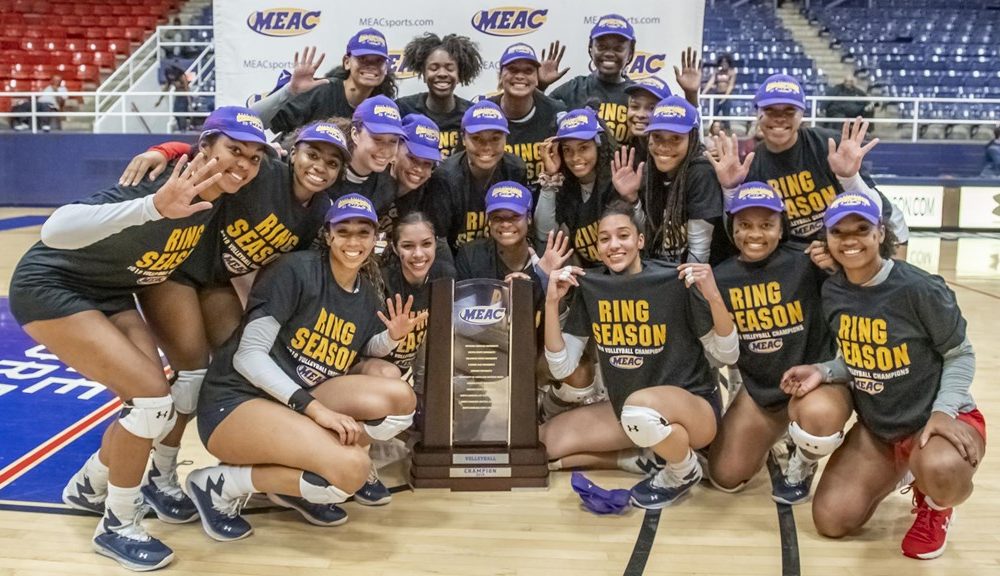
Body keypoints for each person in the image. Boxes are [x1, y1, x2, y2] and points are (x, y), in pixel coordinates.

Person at [10, 107, 268, 571]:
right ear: (204, 147)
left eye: (253, 157)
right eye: (234, 150)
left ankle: (90, 484)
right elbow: (56, 228)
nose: (244, 164)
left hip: (111, 290)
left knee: (155, 402)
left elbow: (264, 128)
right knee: (151, 403)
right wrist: (153, 206)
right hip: (52, 286)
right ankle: (117, 525)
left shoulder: (220, 195)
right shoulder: (161, 182)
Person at [187, 194, 423, 540]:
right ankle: (218, 485)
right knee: (351, 470)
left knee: (400, 399)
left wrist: (392, 338)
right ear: (328, 235)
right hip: (237, 402)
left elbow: (364, 346)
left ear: (375, 239)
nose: (353, 241)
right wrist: (315, 411)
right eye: (343, 231)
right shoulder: (296, 271)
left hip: (294, 399)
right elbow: (248, 356)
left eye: (363, 232)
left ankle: (294, 477)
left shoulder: (367, 292)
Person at [781, 192, 985, 560]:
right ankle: (904, 469)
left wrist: (943, 411)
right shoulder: (835, 291)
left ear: (880, 233)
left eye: (861, 229)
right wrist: (823, 370)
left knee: (942, 471)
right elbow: (860, 358)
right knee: (831, 520)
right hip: (880, 428)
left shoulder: (919, 288)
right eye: (839, 232)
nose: (850, 240)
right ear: (827, 238)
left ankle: (937, 505)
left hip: (936, 418)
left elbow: (960, 354)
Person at [540, 200, 738, 508]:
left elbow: (726, 353)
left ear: (640, 240)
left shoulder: (674, 280)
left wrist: (712, 296)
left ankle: (682, 470)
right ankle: (642, 458)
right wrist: (552, 303)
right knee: (546, 443)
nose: (614, 245)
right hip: (629, 412)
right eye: (604, 238)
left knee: (638, 409)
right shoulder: (594, 287)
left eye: (623, 235)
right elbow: (560, 365)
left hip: (693, 410)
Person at [706, 182, 838, 503]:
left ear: (781, 229)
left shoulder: (808, 261)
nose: (755, 234)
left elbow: (860, 296)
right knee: (724, 477)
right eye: (745, 226)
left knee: (819, 414)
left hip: (812, 382)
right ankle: (780, 432)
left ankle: (805, 459)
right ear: (732, 229)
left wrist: (835, 268)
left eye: (767, 225)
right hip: (762, 391)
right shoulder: (720, 278)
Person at [708, 74, 907, 248]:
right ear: (757, 114)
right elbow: (738, 233)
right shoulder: (752, 165)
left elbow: (878, 211)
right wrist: (731, 189)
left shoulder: (828, 145)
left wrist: (849, 178)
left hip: (853, 240)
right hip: (799, 253)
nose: (779, 119)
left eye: (789, 111)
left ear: (802, 115)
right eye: (771, 111)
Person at [613, 95, 731, 265]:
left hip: (696, 276)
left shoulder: (701, 173)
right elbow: (648, 235)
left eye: (676, 138)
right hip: (662, 271)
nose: (664, 147)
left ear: (692, 140)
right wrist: (633, 200)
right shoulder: (649, 172)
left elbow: (699, 252)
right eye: (657, 137)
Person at [425, 100, 528, 252]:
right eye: (477, 138)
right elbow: (440, 239)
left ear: (506, 139)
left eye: (495, 139)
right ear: (463, 139)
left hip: (500, 256)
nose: (486, 147)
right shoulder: (445, 177)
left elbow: (522, 228)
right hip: (456, 258)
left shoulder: (515, 170)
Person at [254, 31, 397, 134]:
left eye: (378, 61)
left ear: (385, 68)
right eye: (363, 58)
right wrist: (290, 90)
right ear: (347, 62)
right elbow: (254, 119)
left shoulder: (381, 107)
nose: (371, 65)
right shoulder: (323, 90)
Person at [536, 107, 623, 266]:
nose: (575, 158)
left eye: (583, 148)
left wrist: (631, 197)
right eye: (567, 150)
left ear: (598, 145)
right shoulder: (565, 187)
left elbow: (640, 234)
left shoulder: (618, 180)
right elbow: (544, 235)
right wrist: (550, 177)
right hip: (590, 279)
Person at [546, 14, 637, 141]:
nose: (609, 53)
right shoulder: (574, 89)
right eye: (601, 47)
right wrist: (540, 85)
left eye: (618, 48)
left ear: (630, 53)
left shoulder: (637, 95)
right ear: (591, 48)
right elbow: (535, 117)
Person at [487, 43, 566, 181]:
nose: (520, 76)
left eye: (528, 71)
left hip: (545, 196)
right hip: (497, 200)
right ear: (500, 76)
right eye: (512, 70)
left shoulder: (555, 112)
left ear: (537, 78)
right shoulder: (484, 113)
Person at [397, 33, 483, 158]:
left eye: (450, 68)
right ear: (424, 73)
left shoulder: (472, 114)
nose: (442, 73)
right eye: (434, 68)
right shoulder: (403, 109)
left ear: (460, 73)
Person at [704, 53, 737, 118]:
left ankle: (727, 127)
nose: (724, 64)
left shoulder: (732, 72)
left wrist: (724, 98)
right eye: (722, 62)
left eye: (725, 62)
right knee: (714, 114)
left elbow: (731, 86)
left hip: (727, 96)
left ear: (728, 63)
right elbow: (711, 82)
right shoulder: (717, 72)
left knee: (726, 116)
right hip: (717, 95)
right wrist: (704, 92)